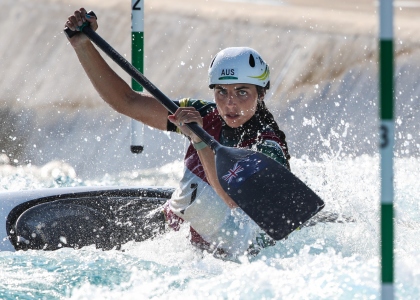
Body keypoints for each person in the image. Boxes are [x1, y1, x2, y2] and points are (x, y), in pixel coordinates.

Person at [65, 9, 291, 258]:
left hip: (232, 260)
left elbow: (231, 199)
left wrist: (199, 140)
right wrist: (83, 46)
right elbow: (127, 101)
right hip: (176, 244)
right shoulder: (202, 114)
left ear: (261, 94)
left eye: (242, 92)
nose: (230, 104)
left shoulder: (267, 145)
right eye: (222, 92)